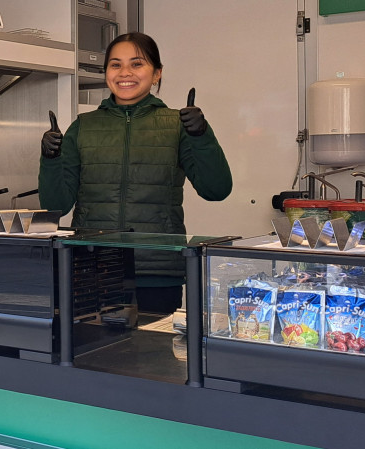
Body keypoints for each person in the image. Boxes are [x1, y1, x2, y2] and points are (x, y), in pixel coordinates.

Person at [39, 32, 232, 315]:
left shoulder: (176, 125)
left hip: (158, 273)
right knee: (86, 343)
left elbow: (216, 190)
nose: (125, 73)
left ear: (157, 73)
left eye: (137, 64)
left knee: (152, 345)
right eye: (115, 64)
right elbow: (56, 206)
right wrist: (50, 159)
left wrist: (201, 135)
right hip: (91, 270)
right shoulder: (83, 126)